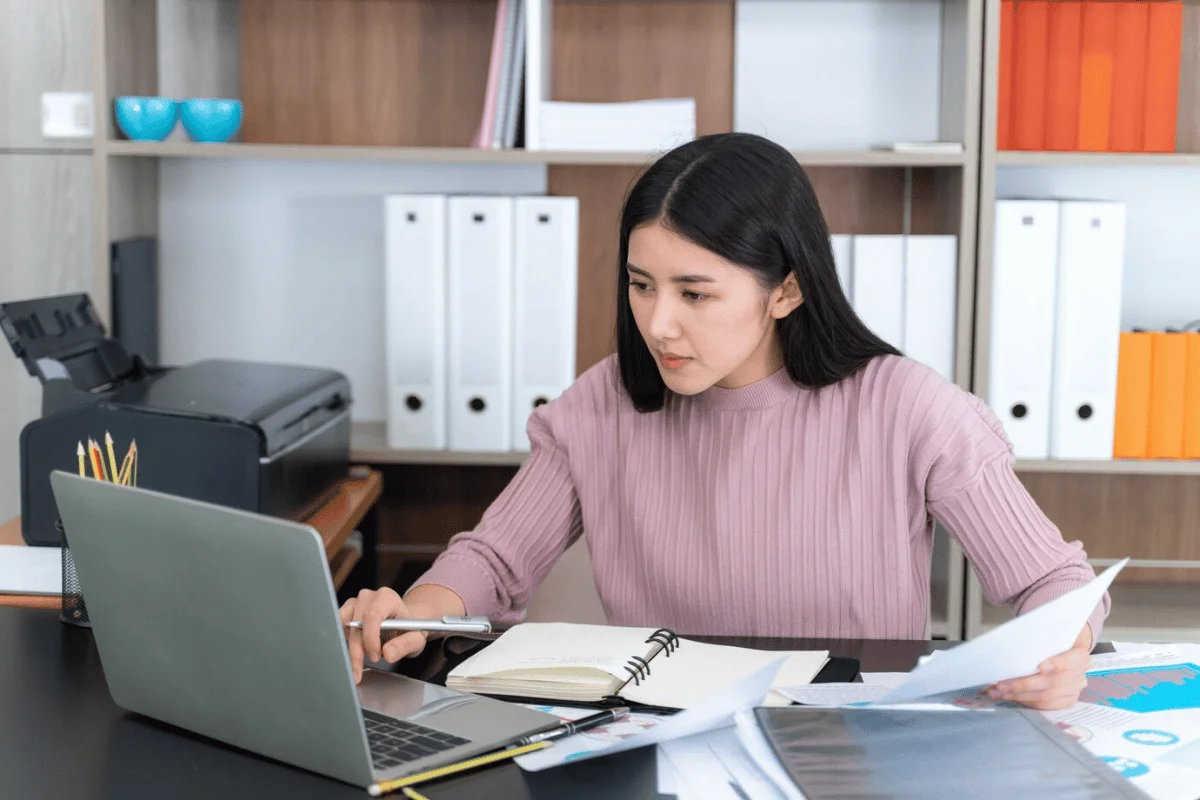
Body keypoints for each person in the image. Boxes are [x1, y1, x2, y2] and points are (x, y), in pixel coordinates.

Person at [343, 132, 1107, 711]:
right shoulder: (604, 404)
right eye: (642, 285)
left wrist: (1061, 652)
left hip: (850, 746)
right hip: (655, 737)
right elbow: (496, 560)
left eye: (695, 294)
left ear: (786, 291)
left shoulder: (907, 408)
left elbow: (1054, 581)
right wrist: (418, 611)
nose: (659, 324)